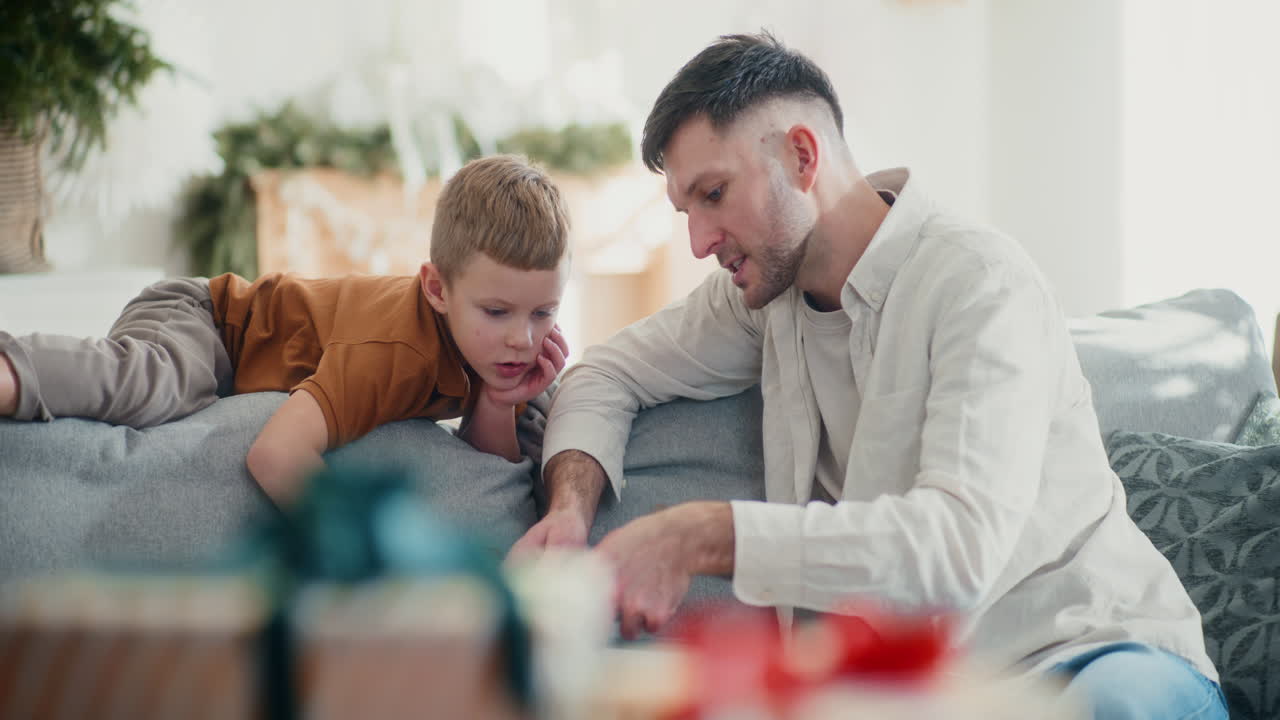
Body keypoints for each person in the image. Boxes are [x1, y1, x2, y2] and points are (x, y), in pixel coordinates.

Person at [511, 32, 1226, 719]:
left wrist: (702, 534)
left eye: (714, 194)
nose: (698, 241)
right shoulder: (760, 302)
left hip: (1094, 654)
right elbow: (605, 372)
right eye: (686, 209)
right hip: (921, 693)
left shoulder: (978, 283)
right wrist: (569, 509)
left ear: (800, 156)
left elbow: (957, 546)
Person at [0, 154, 571, 506]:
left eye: (543, 312)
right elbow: (274, 454)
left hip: (222, 331)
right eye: (497, 312)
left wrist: (498, 403)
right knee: (158, 382)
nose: (522, 339)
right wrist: (351, 551)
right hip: (207, 320)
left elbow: (486, 474)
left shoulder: (491, 353)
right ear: (437, 289)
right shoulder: (396, 351)